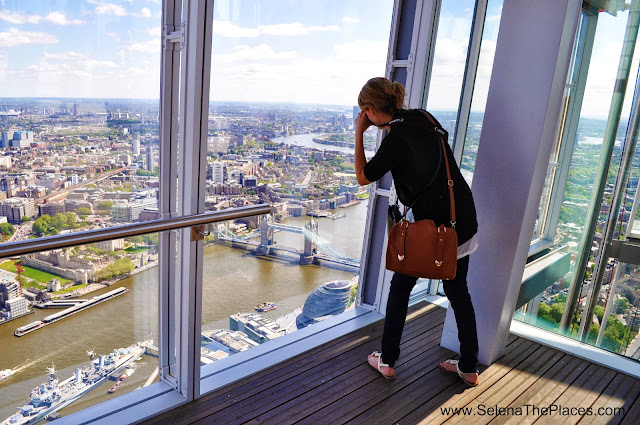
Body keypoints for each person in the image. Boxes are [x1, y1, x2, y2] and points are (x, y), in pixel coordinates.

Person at [354, 77, 480, 387]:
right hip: (460, 219)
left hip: (431, 231)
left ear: (369, 110)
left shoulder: (395, 140)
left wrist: (358, 133)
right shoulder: (424, 117)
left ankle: (387, 360)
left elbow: (362, 176)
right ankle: (468, 366)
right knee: (458, 292)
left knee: (399, 289)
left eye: (364, 113)